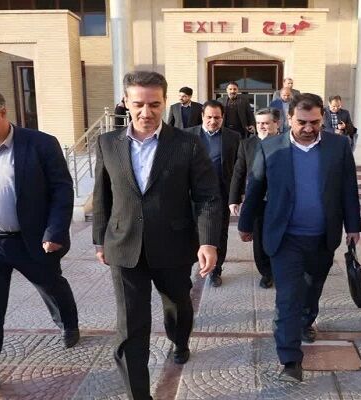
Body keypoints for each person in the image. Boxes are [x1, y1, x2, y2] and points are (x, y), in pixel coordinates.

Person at [92, 71, 222, 400]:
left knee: (177, 305)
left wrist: (208, 241)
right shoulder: (108, 143)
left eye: (154, 104)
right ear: (126, 102)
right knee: (130, 326)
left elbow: (207, 196)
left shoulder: (187, 143)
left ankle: (179, 341)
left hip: (173, 245)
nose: (146, 112)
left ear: (165, 103)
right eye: (138, 104)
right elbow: (103, 195)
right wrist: (99, 239)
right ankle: (139, 395)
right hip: (124, 246)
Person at [0, 87, 79, 400]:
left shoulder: (40, 144)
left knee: (51, 285)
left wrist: (55, 231)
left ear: (3, 111)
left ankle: (67, 323)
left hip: (30, 240)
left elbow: (62, 189)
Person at [238, 93, 361, 382]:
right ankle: (291, 359)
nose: (308, 128)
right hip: (285, 238)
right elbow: (255, 187)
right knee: (288, 298)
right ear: (289, 118)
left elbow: (348, 188)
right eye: (302, 122)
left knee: (312, 289)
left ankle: (305, 321)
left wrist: (353, 227)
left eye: (314, 122)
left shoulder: (339, 146)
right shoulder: (270, 147)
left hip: (323, 237)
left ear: (322, 119)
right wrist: (245, 223)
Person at [185, 100, 240, 287]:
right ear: (202, 116)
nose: (213, 121)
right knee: (191, 231)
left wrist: (236, 195)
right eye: (209, 117)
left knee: (220, 233)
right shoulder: (187, 135)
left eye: (217, 117)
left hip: (221, 194)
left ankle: (216, 269)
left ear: (223, 117)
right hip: (192, 195)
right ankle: (192, 265)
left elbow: (239, 169)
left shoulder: (233, 137)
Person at [229, 107, 280, 289]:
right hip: (257, 201)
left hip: (280, 202)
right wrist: (233, 199)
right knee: (259, 240)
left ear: (277, 123)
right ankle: (266, 273)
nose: (261, 127)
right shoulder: (247, 144)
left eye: (266, 123)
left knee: (281, 238)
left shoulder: (287, 143)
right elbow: (239, 172)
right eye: (258, 123)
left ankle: (280, 270)